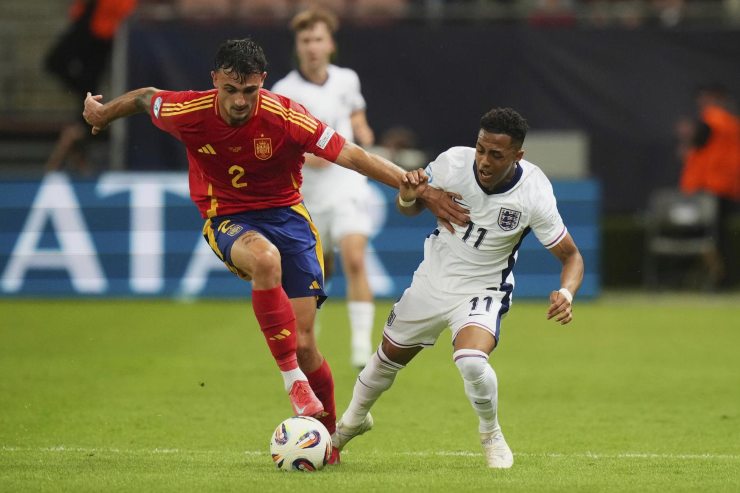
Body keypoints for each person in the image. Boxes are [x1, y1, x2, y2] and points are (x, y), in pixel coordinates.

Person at [81, 38, 468, 463]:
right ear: (215, 80)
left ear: (262, 82)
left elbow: (351, 154)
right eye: (230, 90)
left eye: (249, 90)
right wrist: (103, 113)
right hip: (228, 218)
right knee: (265, 260)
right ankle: (292, 382)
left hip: (289, 219)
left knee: (304, 345)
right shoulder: (188, 110)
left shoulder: (285, 116)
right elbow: (145, 98)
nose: (239, 101)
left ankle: (331, 439)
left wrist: (423, 190)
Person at [331, 107, 585, 469]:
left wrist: (567, 292)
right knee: (384, 361)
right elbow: (410, 207)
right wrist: (407, 195)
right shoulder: (452, 163)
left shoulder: (534, 193)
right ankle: (350, 425)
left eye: (496, 154)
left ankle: (491, 434)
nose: (484, 161)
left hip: (484, 288)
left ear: (518, 155)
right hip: (432, 280)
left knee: (471, 360)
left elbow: (571, 256)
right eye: (480, 149)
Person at [271, 9, 378, 369]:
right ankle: (308, 337)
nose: (312, 47)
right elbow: (276, 144)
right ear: (298, 46)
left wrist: (362, 131)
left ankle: (361, 347)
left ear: (330, 44)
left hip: (347, 184)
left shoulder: (347, 79)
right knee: (317, 273)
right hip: (308, 194)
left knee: (355, 258)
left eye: (318, 39)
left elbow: (356, 113)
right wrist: (303, 155)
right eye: (306, 41)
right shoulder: (283, 92)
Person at [45, 0, 138, 174]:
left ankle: (80, 137)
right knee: (78, 79)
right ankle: (81, 132)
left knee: (87, 81)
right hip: (91, 23)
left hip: (102, 32)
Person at [678, 83, 740, 288]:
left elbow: (697, 141)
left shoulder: (713, 119)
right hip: (726, 187)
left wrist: (687, 137)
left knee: (705, 235)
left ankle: (715, 278)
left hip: (710, 187)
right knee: (719, 236)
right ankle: (722, 278)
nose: (702, 102)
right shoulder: (731, 123)